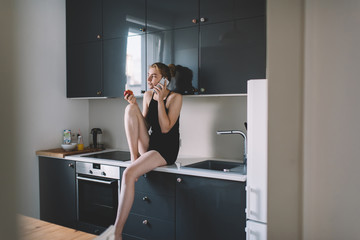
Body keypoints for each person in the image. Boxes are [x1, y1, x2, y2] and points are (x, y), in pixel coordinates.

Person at [114, 62, 183, 240]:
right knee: (130, 109)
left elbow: (165, 128)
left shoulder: (175, 98)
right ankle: (133, 157)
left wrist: (160, 100)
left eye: (154, 76)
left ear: (164, 80)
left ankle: (116, 234)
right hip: (150, 144)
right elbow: (146, 125)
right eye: (149, 75)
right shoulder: (147, 95)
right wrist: (135, 106)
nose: (149, 79)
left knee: (129, 174)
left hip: (166, 150)